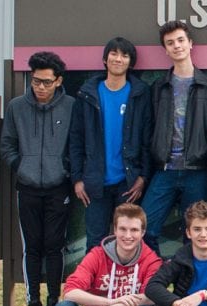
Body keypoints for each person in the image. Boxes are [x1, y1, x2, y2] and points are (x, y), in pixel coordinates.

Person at [0, 51, 76, 306]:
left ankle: (54, 301)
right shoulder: (16, 107)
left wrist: (66, 169)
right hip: (28, 186)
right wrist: (21, 166)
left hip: (59, 187)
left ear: (58, 81)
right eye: (36, 81)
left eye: (46, 82)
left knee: (55, 247)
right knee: (32, 247)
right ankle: (33, 303)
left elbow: (75, 145)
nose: (40, 87)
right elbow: (6, 144)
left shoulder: (71, 106)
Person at [142, 21, 207, 255]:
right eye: (170, 43)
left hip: (198, 170)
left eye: (180, 40)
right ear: (165, 50)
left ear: (190, 44)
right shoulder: (158, 87)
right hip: (164, 169)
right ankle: (156, 284)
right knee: (147, 230)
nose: (176, 46)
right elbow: (150, 129)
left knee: (197, 235)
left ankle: (189, 286)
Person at [69, 36, 152, 252]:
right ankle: (94, 287)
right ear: (105, 59)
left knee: (128, 241)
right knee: (95, 242)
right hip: (94, 183)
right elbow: (76, 139)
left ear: (131, 62)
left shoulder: (140, 94)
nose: (118, 59)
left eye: (124, 55)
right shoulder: (88, 94)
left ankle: (126, 286)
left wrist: (143, 176)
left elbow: (147, 138)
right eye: (114, 54)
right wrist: (77, 178)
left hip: (128, 182)